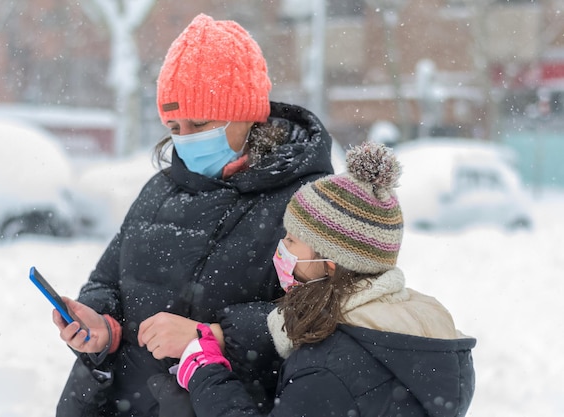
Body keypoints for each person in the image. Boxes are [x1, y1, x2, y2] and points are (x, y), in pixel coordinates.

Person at [52, 13, 334, 417]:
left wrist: (215, 336)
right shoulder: (159, 189)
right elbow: (107, 280)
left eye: (200, 123)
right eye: (174, 125)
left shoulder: (307, 200)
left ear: (248, 112)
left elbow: (323, 315)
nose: (186, 138)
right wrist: (101, 325)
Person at [173, 141, 477, 417]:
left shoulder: (330, 367)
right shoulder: (414, 335)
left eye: (292, 240)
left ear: (330, 264)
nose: (282, 249)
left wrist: (207, 375)